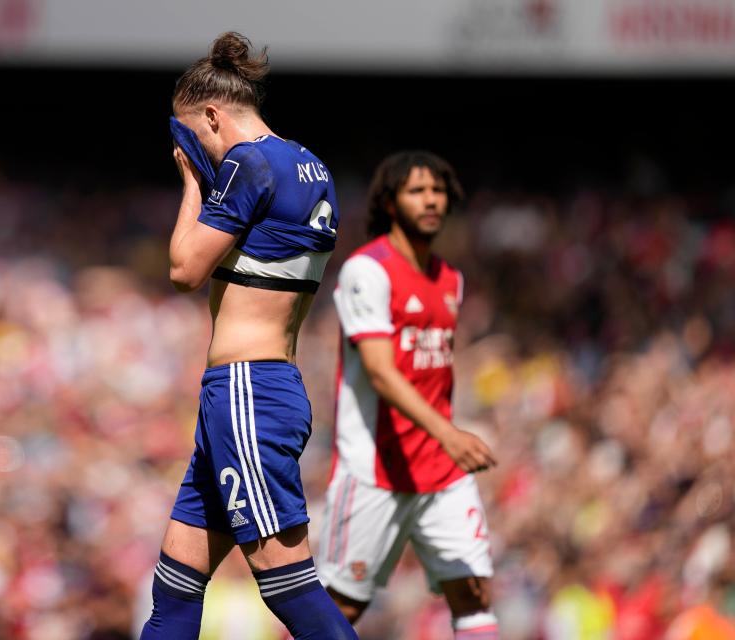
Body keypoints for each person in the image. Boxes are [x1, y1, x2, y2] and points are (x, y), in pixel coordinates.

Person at [140, 32, 357, 640]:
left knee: (290, 587)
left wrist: (192, 183)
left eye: (191, 138)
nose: (194, 152)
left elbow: (184, 270)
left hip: (246, 393)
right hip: (251, 393)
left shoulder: (249, 161)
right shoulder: (310, 164)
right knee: (175, 587)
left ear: (212, 115)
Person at [317, 151, 500, 639]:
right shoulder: (366, 271)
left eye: (437, 191)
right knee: (339, 609)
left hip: (440, 470)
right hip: (375, 469)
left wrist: (445, 439)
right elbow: (379, 371)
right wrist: (449, 433)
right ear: (391, 203)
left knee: (475, 595)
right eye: (417, 191)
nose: (431, 200)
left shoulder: (451, 280)